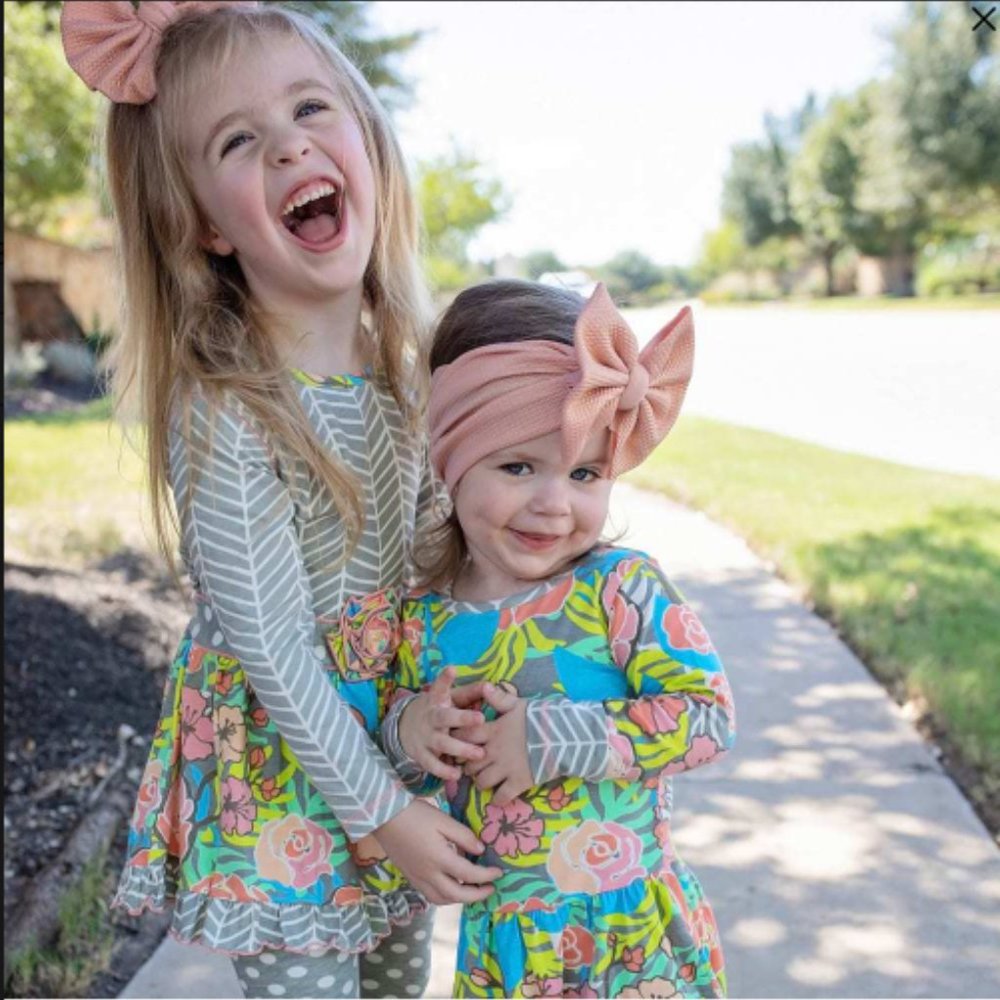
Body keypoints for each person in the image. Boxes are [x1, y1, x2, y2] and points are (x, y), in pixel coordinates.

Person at [59, 3, 501, 997]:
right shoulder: (226, 409)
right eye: (237, 140)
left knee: (396, 989)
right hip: (287, 790)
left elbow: (440, 574)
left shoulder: (409, 378)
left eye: (309, 108)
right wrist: (383, 813)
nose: (290, 145)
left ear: (366, 141)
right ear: (205, 226)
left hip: (394, 746)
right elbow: (275, 653)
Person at [381, 280, 737, 997]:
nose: (554, 503)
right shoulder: (423, 622)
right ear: (453, 465)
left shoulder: (620, 588)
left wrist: (550, 739)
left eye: (584, 473)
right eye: (518, 467)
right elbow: (400, 774)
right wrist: (410, 730)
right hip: (512, 952)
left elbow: (708, 719)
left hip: (635, 939)